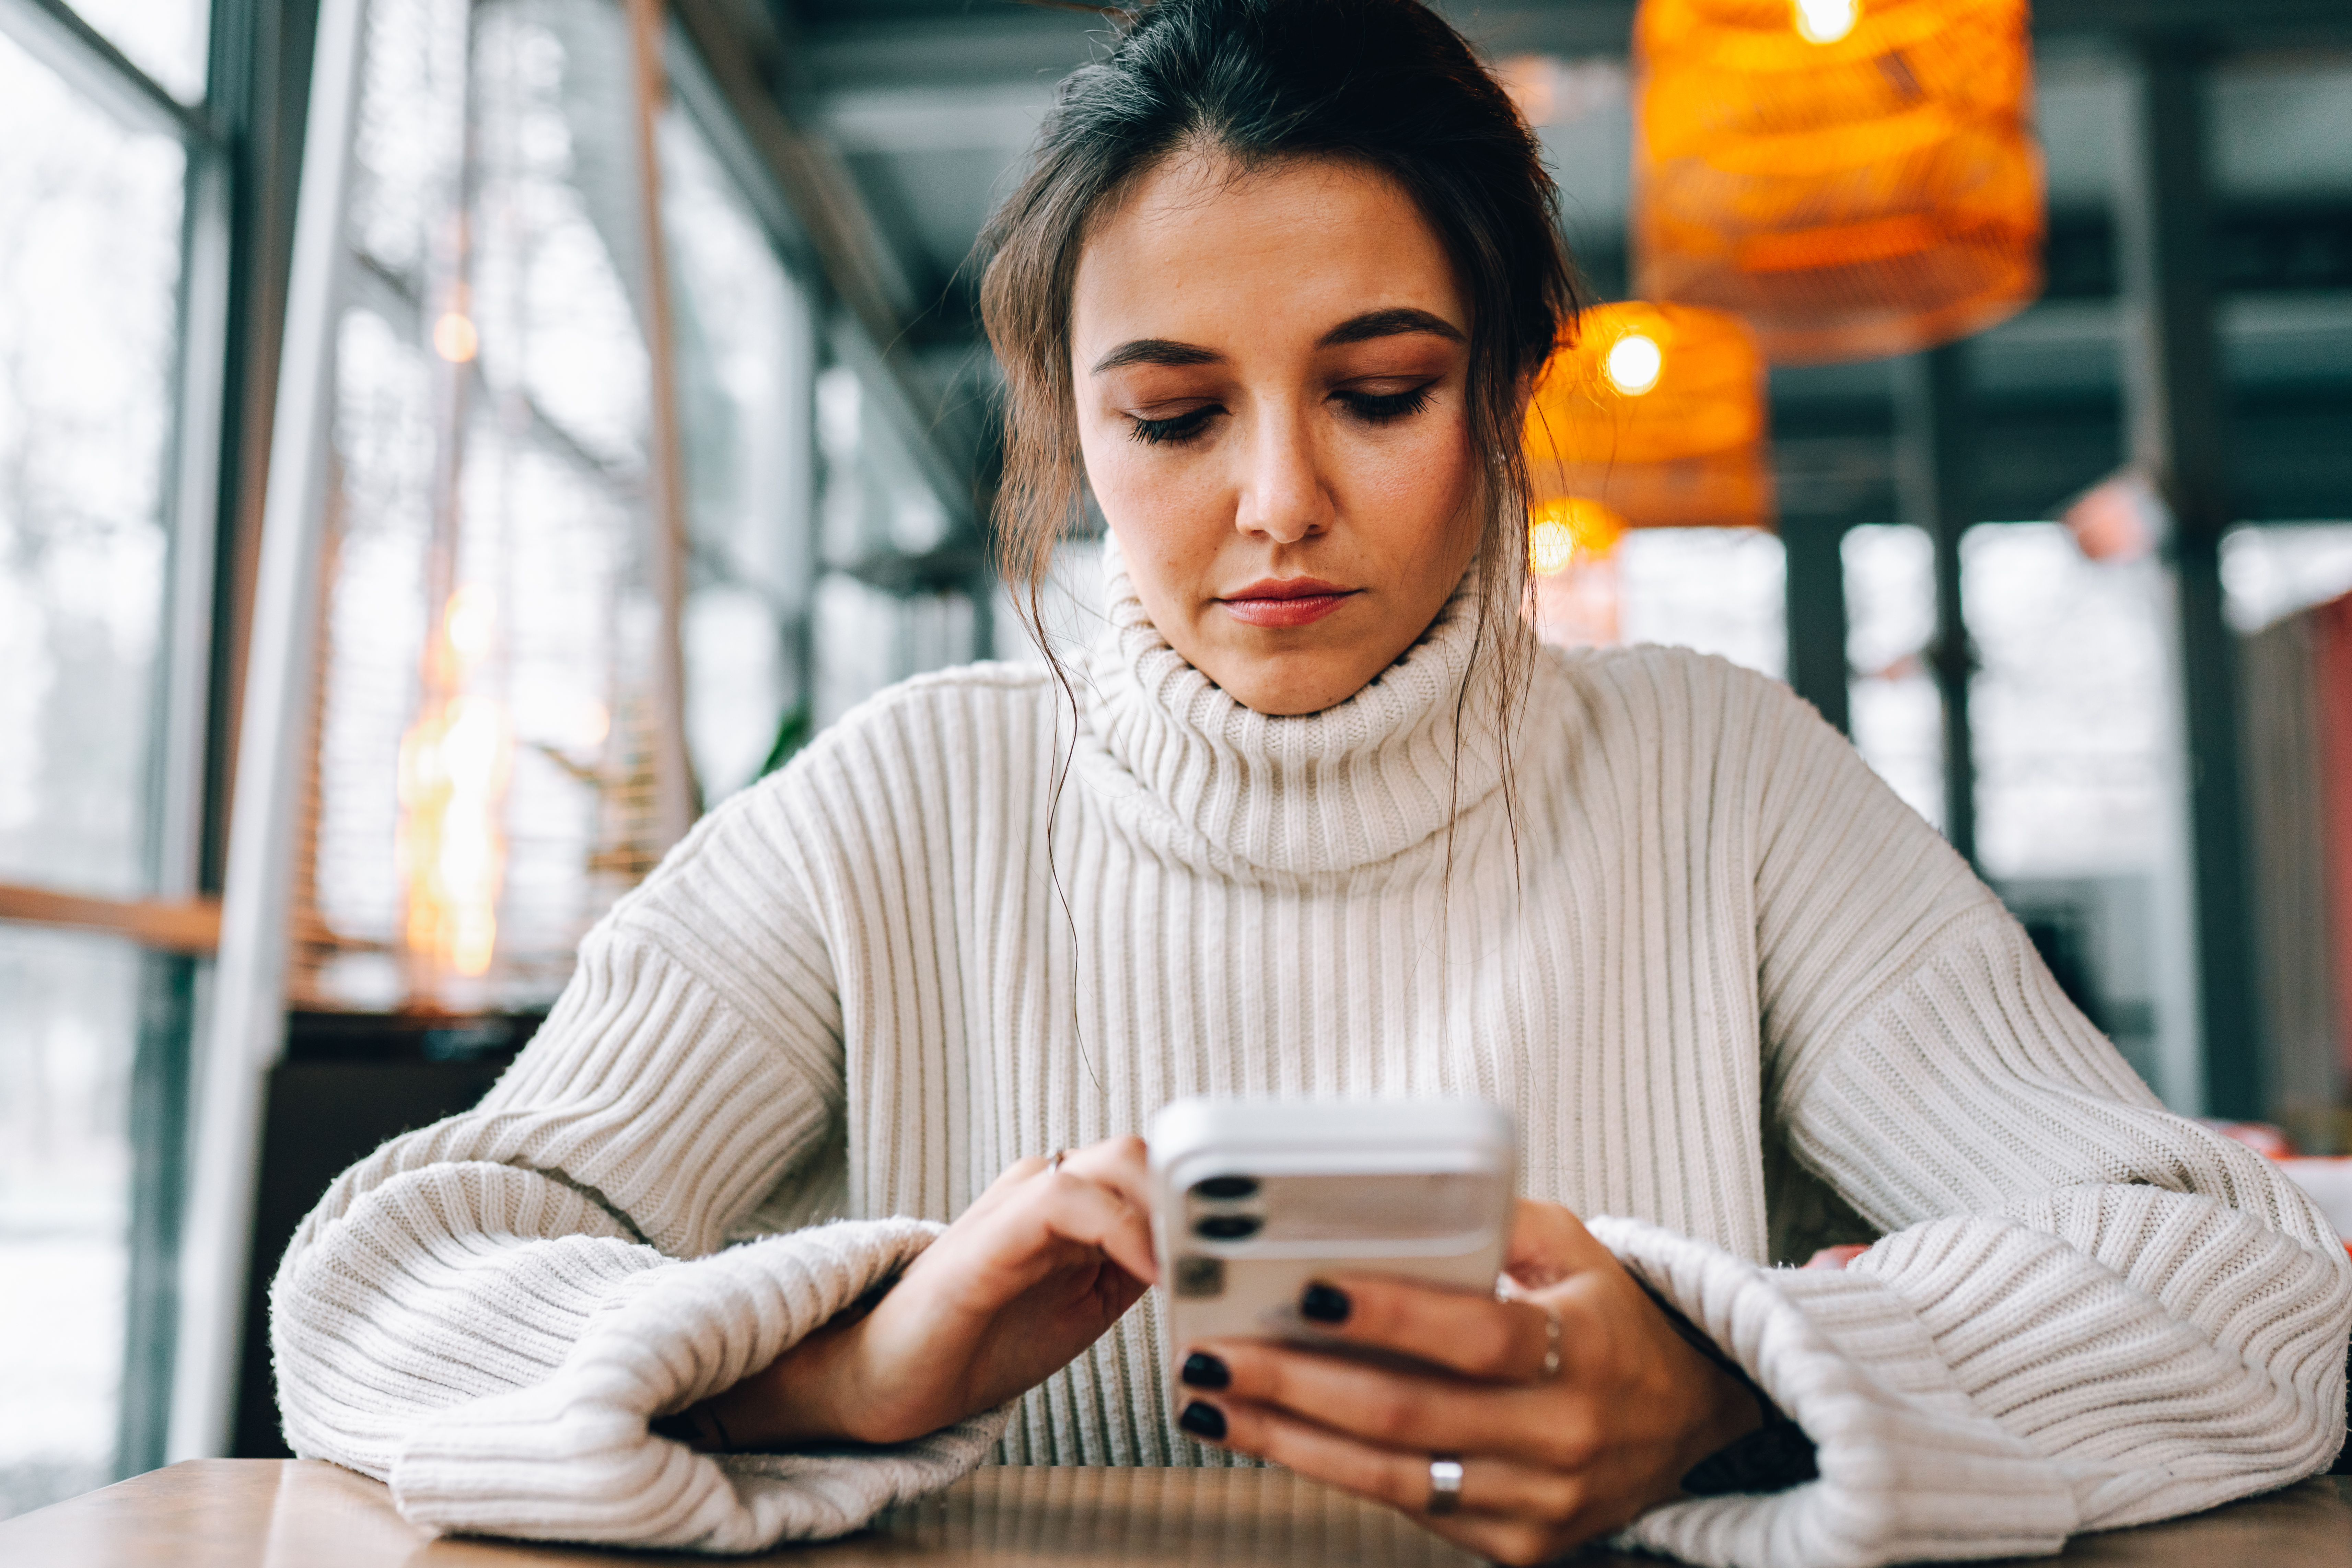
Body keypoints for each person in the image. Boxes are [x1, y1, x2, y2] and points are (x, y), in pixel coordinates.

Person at [269, 2, 2352, 1564]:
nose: (1278, 502)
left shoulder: (1721, 785)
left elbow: (2250, 1287)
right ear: (1073, 433)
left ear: (1508, 390)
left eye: (1377, 392)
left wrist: (1724, 1384)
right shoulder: (899, 808)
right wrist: (847, 1367)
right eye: (1174, 416)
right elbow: (385, 1288)